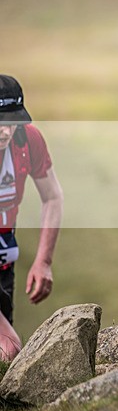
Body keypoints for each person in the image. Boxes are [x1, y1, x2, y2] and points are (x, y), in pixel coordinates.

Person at [0, 75, 64, 362]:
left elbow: (52, 197)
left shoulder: (28, 139)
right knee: (9, 350)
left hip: (4, 262)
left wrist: (43, 261)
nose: (6, 130)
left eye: (12, 122)